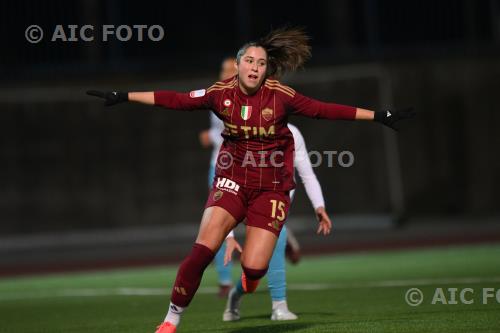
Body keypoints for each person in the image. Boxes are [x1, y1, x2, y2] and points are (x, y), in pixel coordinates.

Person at [87, 27, 414, 333]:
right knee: (202, 251)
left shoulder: (281, 96)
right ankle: (171, 320)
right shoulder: (220, 94)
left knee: (256, 268)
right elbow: (177, 100)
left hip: (271, 189)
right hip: (232, 181)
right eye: (249, 61)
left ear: (266, 68)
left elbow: (323, 109)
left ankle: (242, 289)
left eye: (261, 63)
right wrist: (124, 95)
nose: (255, 67)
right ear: (238, 65)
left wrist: (378, 115)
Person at [221, 121, 331, 322]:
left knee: (262, 263)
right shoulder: (243, 132)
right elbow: (226, 186)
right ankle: (262, 302)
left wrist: (319, 207)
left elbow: (307, 175)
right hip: (250, 207)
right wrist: (229, 234)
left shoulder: (293, 132)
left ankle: (259, 301)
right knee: (260, 266)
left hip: (278, 209)